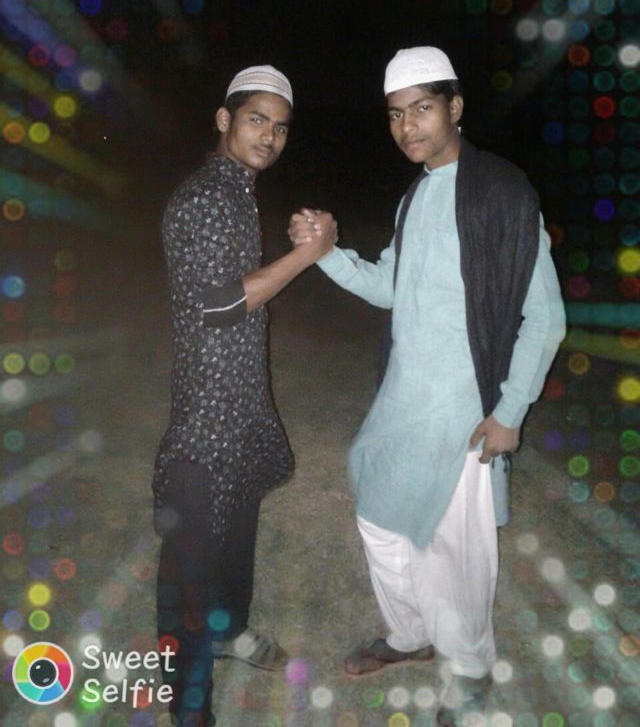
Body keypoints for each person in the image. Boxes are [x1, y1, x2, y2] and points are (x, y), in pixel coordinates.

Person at [289, 47, 565, 725]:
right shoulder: (416, 195)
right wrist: (326, 255)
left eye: (422, 108)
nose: (407, 126)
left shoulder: (501, 193)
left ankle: (468, 668)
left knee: (454, 549)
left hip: (466, 408)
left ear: (455, 108)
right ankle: (410, 633)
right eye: (395, 114)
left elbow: (546, 316)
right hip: (407, 396)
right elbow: (392, 285)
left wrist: (509, 411)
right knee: (378, 517)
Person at [153, 65, 336, 727]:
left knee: (236, 533)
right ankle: (189, 707)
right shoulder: (205, 197)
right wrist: (306, 255)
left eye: (280, 126)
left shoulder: (237, 191)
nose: (269, 136)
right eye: (257, 119)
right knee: (192, 566)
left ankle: (229, 631)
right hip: (206, 416)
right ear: (224, 119)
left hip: (240, 405)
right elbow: (218, 304)